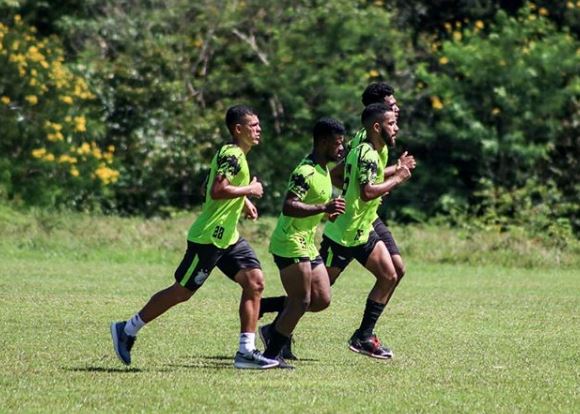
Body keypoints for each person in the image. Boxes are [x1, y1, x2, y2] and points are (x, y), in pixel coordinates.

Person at [110, 105, 279, 369]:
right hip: (208, 238)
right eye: (253, 125)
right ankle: (127, 328)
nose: (259, 130)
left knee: (255, 283)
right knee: (181, 292)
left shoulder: (236, 155)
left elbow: (208, 185)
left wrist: (243, 201)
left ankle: (246, 352)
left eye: (259, 125)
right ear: (238, 129)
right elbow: (216, 189)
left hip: (228, 237)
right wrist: (251, 189)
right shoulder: (233, 153)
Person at [320, 103, 414, 359]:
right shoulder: (366, 152)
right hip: (342, 234)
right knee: (314, 297)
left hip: (362, 231)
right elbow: (367, 191)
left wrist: (395, 170)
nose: (396, 128)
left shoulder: (370, 150)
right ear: (376, 126)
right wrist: (398, 178)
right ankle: (272, 325)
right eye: (391, 123)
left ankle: (363, 336)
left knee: (390, 275)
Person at [258, 118, 346, 368]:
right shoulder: (305, 171)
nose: (341, 148)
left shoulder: (324, 170)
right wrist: (323, 206)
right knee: (302, 300)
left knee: (321, 299)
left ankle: (268, 312)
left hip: (306, 242)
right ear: (323, 142)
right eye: (338, 143)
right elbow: (288, 206)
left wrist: (328, 213)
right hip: (289, 242)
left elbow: (312, 207)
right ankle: (271, 356)